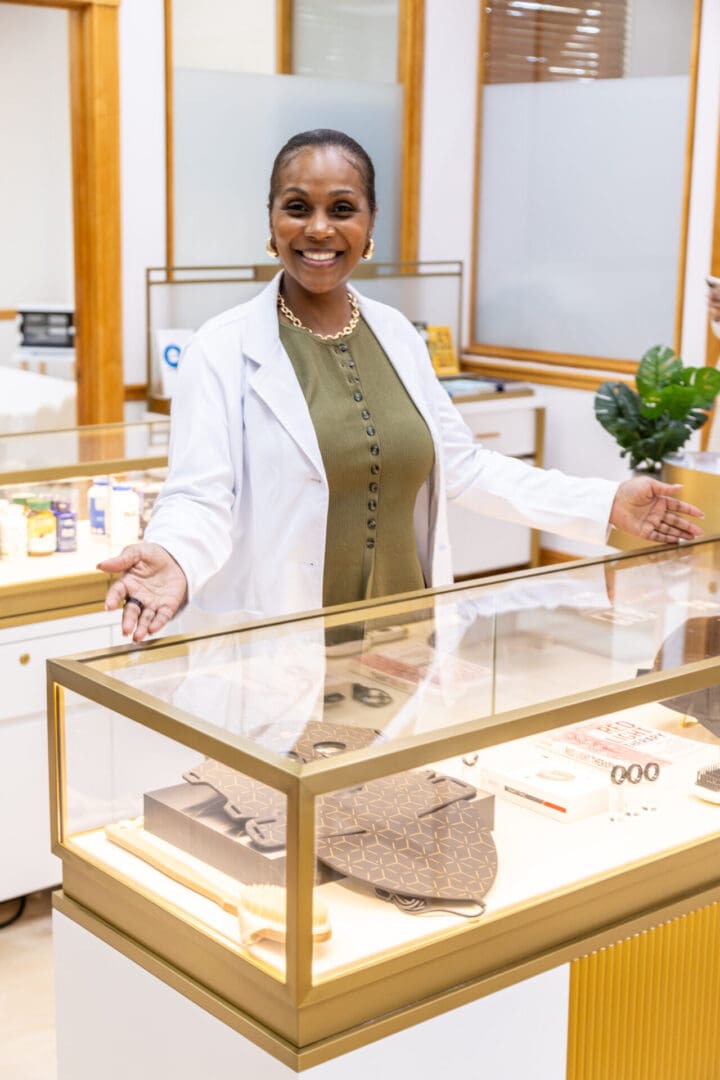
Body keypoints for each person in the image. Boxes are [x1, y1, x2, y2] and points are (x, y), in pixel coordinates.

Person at [99, 129, 704, 643]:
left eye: (341, 209)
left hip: (403, 635)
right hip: (282, 639)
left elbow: (464, 468)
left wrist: (604, 503)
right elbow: (200, 495)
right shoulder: (221, 347)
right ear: (271, 221)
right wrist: (173, 559)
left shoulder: (396, 335)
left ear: (369, 224)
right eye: (296, 207)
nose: (318, 229)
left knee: (398, 783)